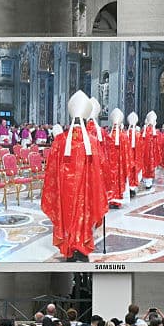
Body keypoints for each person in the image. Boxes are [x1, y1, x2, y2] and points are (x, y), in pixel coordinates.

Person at [40, 92, 109, 262]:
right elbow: (100, 169)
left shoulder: (60, 141)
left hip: (64, 191)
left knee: (66, 215)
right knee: (82, 216)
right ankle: (82, 247)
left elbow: (51, 170)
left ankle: (69, 249)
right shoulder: (92, 141)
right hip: (84, 191)